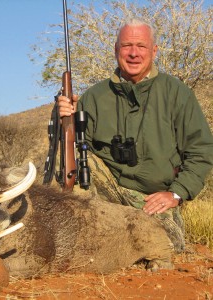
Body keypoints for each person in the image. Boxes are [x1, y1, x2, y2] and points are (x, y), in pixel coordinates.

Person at [58, 18, 213, 252]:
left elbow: (201, 151)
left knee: (169, 243)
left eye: (141, 46)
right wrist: (63, 117)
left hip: (153, 199)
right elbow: (73, 154)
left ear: (154, 50)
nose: (133, 54)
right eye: (126, 46)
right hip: (108, 194)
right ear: (115, 50)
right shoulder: (94, 97)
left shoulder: (177, 93)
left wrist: (176, 193)